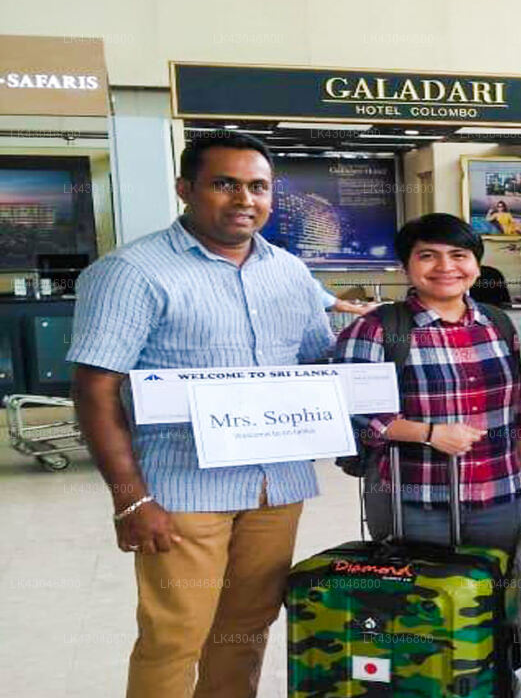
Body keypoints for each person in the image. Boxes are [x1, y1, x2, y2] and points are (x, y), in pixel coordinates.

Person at [67, 131, 334, 698]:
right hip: (182, 490)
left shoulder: (289, 271)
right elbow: (96, 389)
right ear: (185, 189)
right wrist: (131, 498)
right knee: (174, 635)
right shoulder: (131, 272)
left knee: (245, 629)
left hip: (274, 484)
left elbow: (321, 364)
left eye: (258, 186)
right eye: (225, 184)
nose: (245, 199)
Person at [335, 213, 521, 555]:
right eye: (428, 255)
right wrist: (429, 433)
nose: (446, 266)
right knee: (423, 601)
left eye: (459, 255)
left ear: (476, 266)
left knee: (499, 597)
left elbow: (516, 411)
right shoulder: (377, 329)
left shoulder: (498, 324)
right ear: (407, 267)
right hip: (415, 499)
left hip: (500, 494)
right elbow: (354, 416)